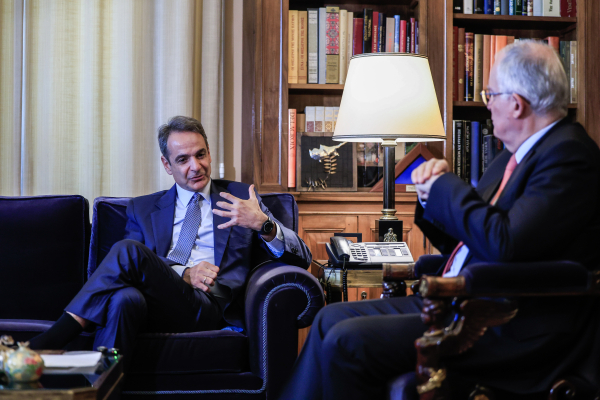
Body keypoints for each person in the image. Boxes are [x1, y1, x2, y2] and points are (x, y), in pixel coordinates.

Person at [278, 40, 600, 400]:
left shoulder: (569, 155)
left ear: (516, 103)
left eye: (490, 94)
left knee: (346, 340)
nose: (487, 104)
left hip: (510, 324)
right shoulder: (512, 156)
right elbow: (468, 239)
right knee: (329, 319)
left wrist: (446, 186)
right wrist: (430, 196)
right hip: (463, 304)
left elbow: (505, 244)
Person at [29, 115, 312, 358]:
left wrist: (263, 224)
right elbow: (128, 270)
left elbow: (303, 258)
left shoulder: (240, 197)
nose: (195, 166)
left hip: (212, 305)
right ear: (167, 165)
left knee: (128, 250)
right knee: (124, 298)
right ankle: (101, 389)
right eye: (183, 159)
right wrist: (184, 273)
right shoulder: (143, 209)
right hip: (155, 306)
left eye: (200, 155)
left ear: (209, 153)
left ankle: (54, 338)